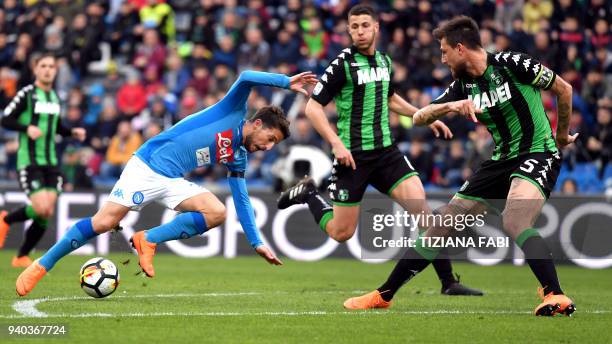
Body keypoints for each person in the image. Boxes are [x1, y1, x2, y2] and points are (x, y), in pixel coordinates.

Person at [344, 16, 577, 316]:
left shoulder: (513, 63)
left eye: (444, 52)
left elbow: (564, 89)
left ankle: (556, 295)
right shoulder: (463, 85)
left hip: (538, 153)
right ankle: (383, 295)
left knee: (515, 221)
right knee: (440, 226)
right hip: (500, 161)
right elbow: (419, 117)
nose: (442, 59)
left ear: (460, 48)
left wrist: (560, 135)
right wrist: (451, 106)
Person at [15, 70, 317, 297]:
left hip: (173, 178)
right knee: (104, 221)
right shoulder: (233, 111)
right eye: (270, 139)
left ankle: (147, 239)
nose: (267, 147)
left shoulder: (238, 156)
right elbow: (246, 77)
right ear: (257, 124)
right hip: (148, 165)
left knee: (217, 212)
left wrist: (257, 242)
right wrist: (284, 82)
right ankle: (41, 264)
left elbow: (243, 200)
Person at [277, 5, 482, 296]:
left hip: (386, 154)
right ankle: (309, 194)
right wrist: (336, 143)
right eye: (354, 26)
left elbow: (391, 97)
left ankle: (448, 282)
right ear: (349, 31)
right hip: (353, 157)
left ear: (376, 28)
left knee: (423, 213)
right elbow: (312, 107)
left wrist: (425, 116)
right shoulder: (342, 65)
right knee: (340, 232)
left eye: (364, 25)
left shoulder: (385, 61)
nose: (359, 31)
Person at [0, 53, 86, 268]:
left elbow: (54, 126)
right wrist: (26, 127)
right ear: (35, 69)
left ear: (56, 71)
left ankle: (21, 256)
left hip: (51, 162)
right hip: (29, 161)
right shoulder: (27, 94)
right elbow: (6, 118)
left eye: (51, 66)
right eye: (44, 66)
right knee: (41, 208)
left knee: (46, 211)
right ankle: (6, 220)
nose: (48, 70)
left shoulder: (55, 97)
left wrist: (70, 132)